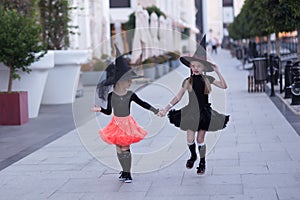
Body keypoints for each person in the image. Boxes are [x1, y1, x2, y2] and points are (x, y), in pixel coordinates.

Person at [158, 35, 229, 175]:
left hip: (204, 113)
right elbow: (178, 97)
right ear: (190, 66)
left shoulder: (208, 79)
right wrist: (166, 109)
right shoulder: (187, 81)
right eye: (193, 65)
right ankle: (193, 155)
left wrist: (217, 70)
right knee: (190, 139)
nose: (195, 68)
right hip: (190, 112)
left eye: (198, 66)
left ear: (203, 67)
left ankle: (202, 162)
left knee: (200, 139)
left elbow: (224, 86)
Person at [91, 46, 159, 183]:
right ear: (120, 82)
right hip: (115, 123)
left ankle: (128, 173)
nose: (130, 83)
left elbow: (143, 103)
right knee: (118, 148)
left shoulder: (130, 95)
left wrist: (155, 110)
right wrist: (100, 109)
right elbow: (109, 111)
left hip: (127, 123)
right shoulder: (111, 95)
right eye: (128, 80)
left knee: (125, 147)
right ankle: (123, 170)